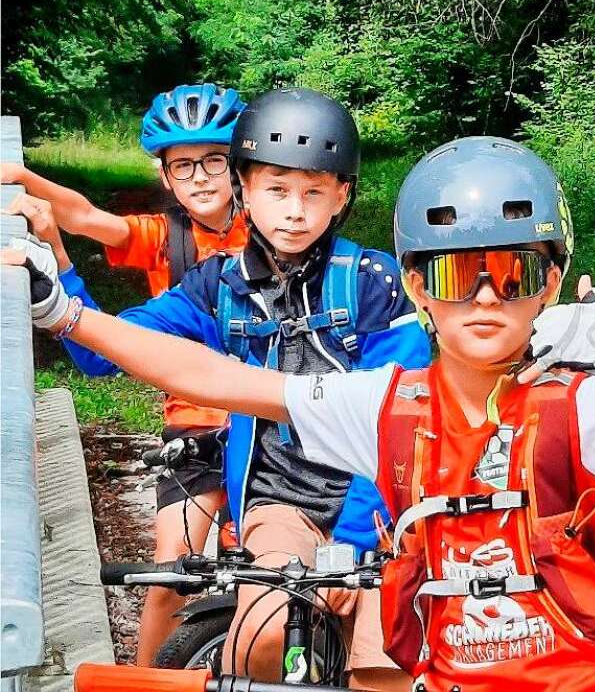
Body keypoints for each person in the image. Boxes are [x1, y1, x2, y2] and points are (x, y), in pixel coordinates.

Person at [7, 136, 595, 692]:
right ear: (417, 287)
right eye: (456, 273)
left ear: (552, 279)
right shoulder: (387, 402)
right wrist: (65, 313)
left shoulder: (579, 406)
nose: (487, 297)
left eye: (514, 270)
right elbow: (213, 376)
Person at [9, 87, 431, 690]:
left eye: (314, 192)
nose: (294, 211)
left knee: (381, 661)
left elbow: (400, 422)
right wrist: (59, 295)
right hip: (281, 498)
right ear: (246, 189)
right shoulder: (219, 285)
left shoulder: (373, 284)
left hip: (382, 505)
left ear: (341, 196)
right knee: (263, 638)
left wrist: (354, 546)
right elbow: (107, 355)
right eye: (276, 190)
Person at [1, 82, 248, 666]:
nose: (201, 178)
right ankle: (141, 680)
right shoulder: (167, 239)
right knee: (170, 573)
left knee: (267, 572)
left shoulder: (274, 226)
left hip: (266, 421)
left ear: (239, 165)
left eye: (215, 160)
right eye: (183, 167)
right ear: (165, 178)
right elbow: (88, 216)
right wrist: (18, 178)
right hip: (196, 421)